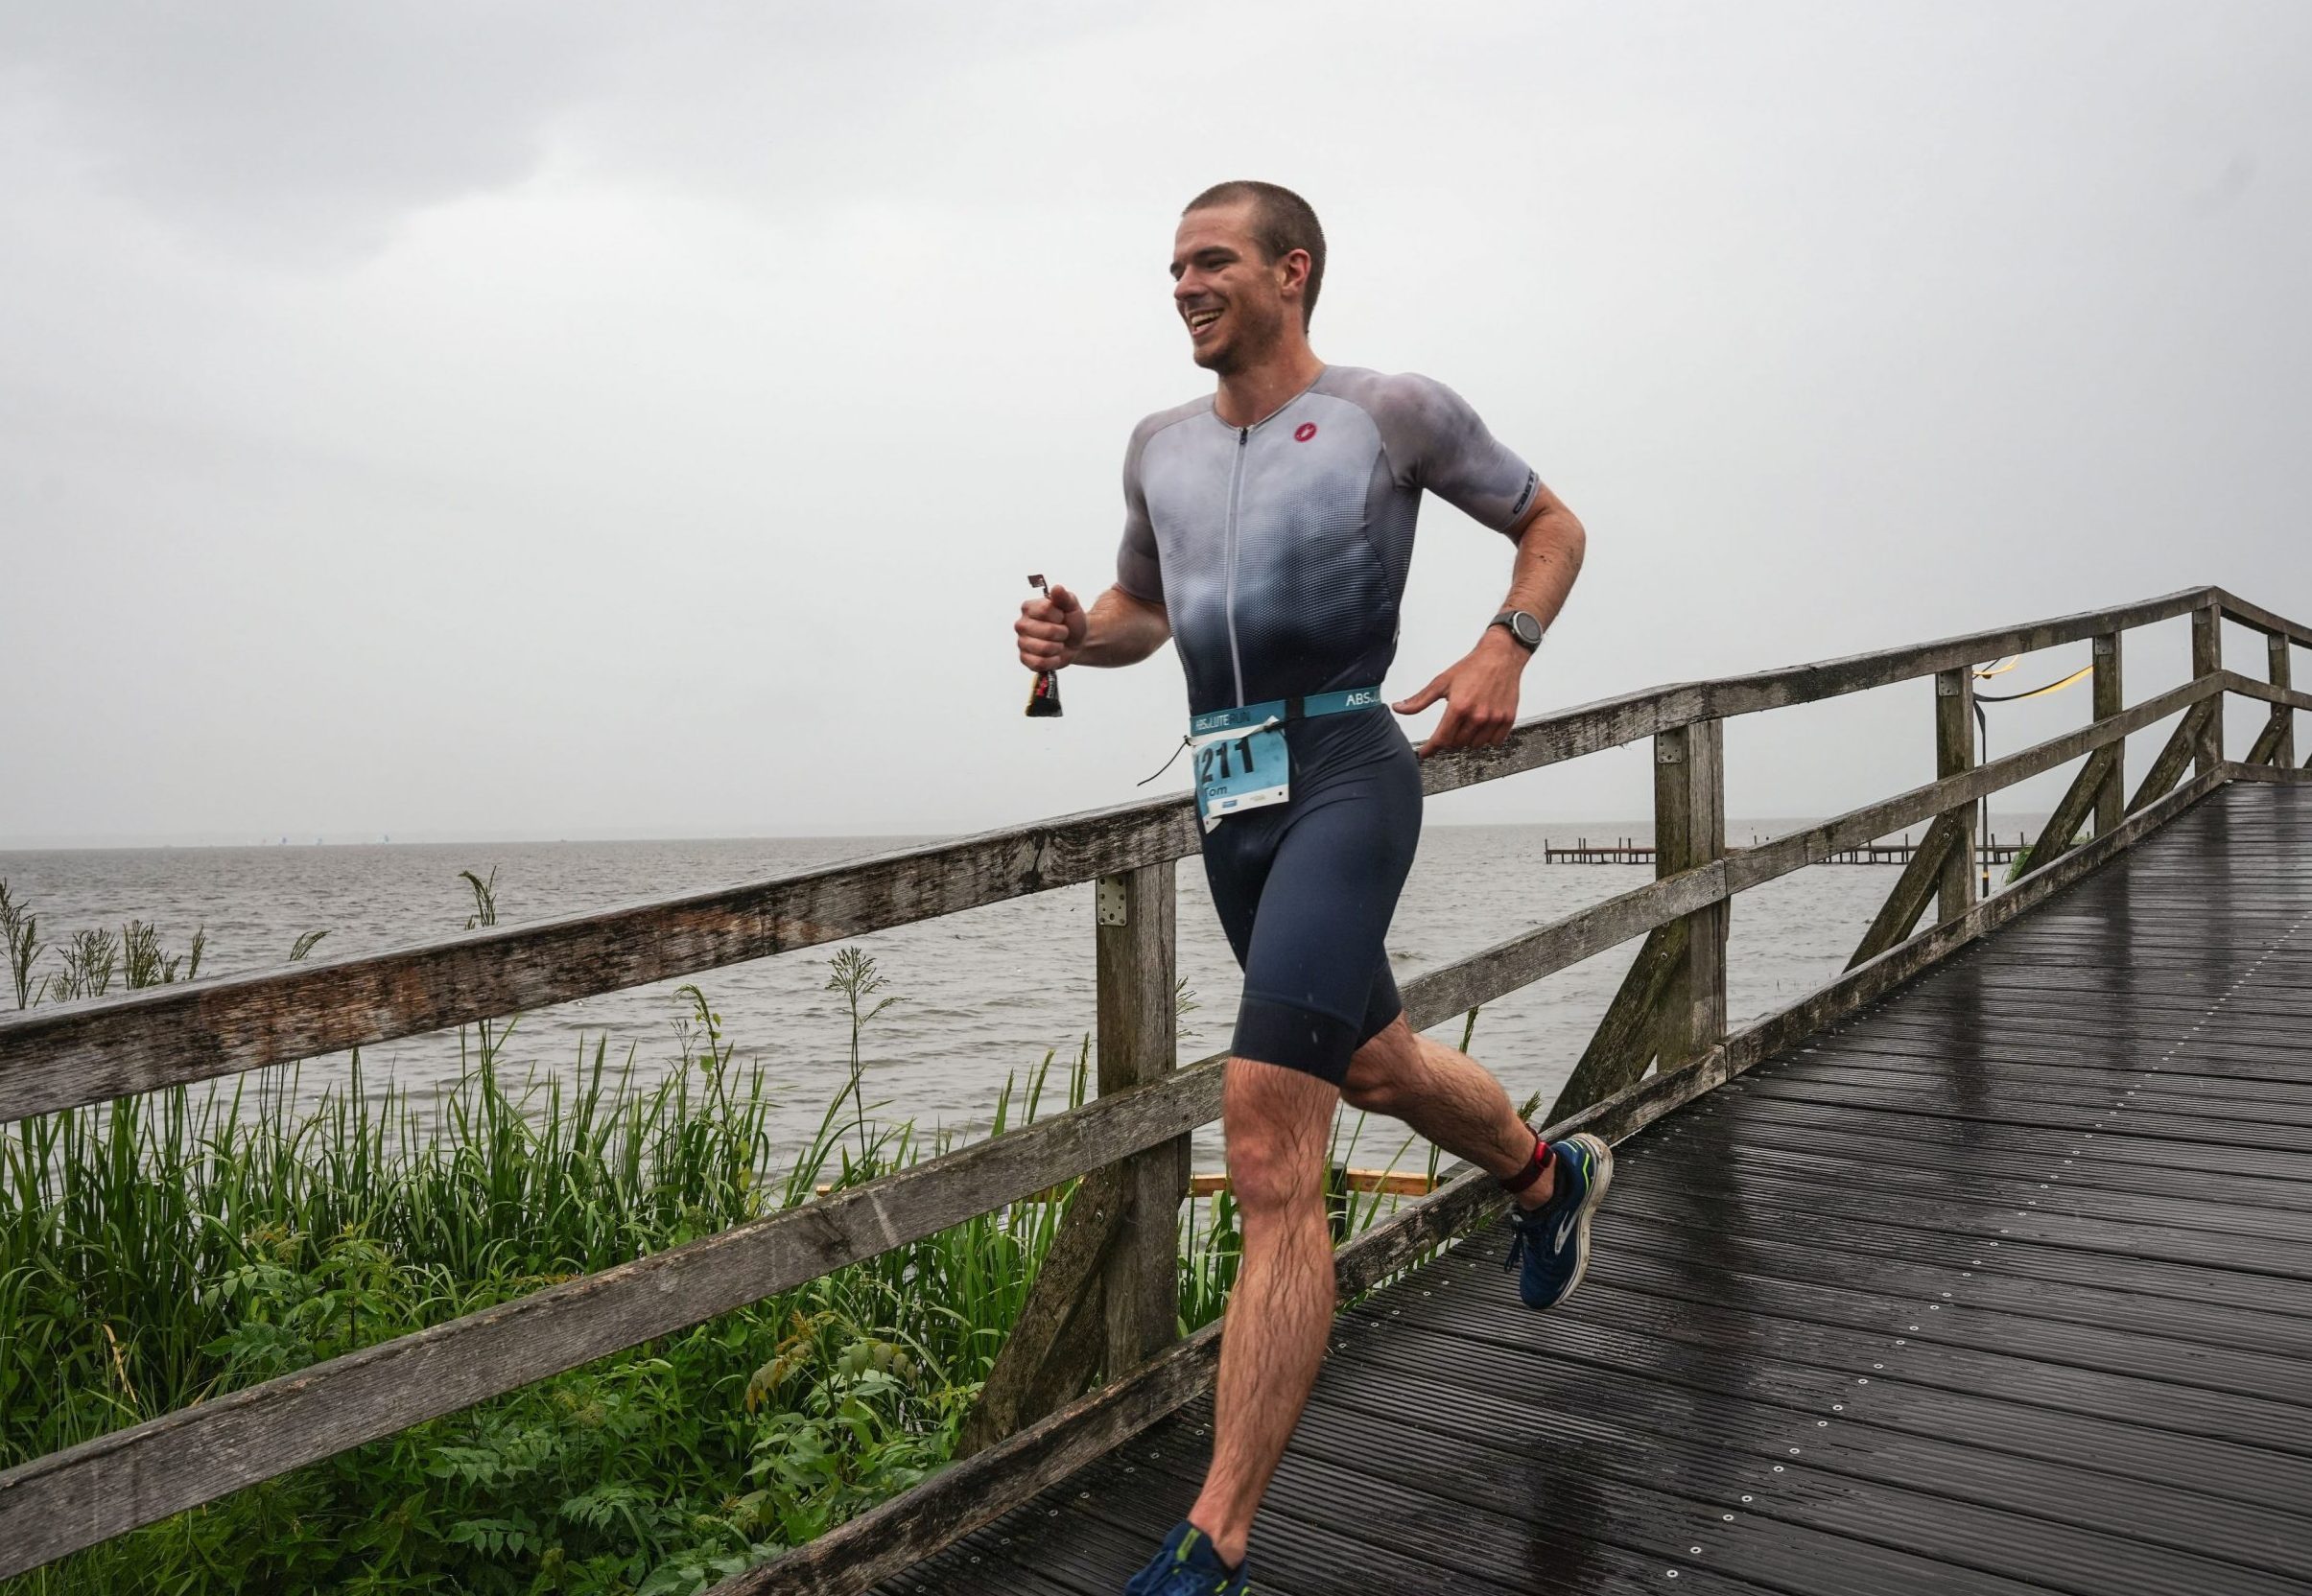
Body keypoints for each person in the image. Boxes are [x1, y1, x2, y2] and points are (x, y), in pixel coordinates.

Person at [1012, 180, 1606, 1596]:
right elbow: (1145, 611)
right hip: (1224, 797)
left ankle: (1210, 1540)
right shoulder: (1153, 445)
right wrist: (1072, 631)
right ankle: (1546, 1174)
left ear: (1292, 271)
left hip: (1344, 765)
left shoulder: (1386, 410)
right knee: (1381, 1068)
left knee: (1271, 1148)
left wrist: (1504, 646)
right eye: (1170, 266)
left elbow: (1552, 525)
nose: (1181, 286)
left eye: (1208, 261)